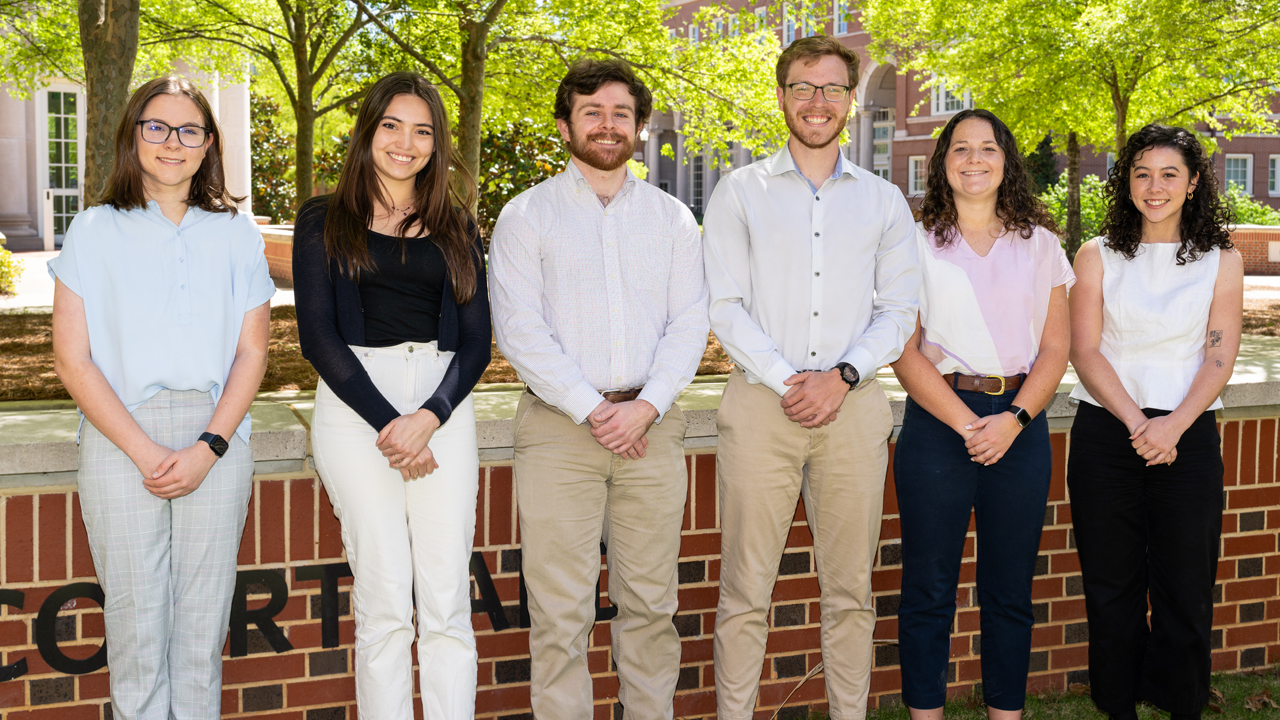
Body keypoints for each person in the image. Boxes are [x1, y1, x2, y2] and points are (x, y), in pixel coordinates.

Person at [702, 36, 920, 720]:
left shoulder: (885, 202)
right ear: (781, 97)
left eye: (831, 89)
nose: (817, 102)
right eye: (803, 87)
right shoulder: (739, 192)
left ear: (851, 104)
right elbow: (722, 305)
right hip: (761, 408)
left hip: (853, 412)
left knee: (851, 592)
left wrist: (843, 377)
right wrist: (791, 378)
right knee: (744, 592)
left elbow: (899, 311)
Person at [489, 58, 709, 720]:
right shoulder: (526, 217)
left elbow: (691, 323)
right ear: (564, 126)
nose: (607, 125)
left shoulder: (672, 219)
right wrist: (595, 411)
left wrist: (644, 407)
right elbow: (520, 331)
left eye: (621, 113)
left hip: (653, 425)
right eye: (592, 112)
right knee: (560, 614)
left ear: (640, 129)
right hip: (559, 433)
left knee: (651, 607)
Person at [49, 76, 273, 720]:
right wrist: (144, 450)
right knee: (137, 632)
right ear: (133, 135)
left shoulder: (236, 233)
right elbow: (72, 357)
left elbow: (252, 352)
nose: (173, 142)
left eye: (190, 130)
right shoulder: (93, 229)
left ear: (209, 145)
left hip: (217, 433)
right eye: (157, 127)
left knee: (202, 633)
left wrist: (209, 446)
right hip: (121, 434)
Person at [292, 72, 490, 720]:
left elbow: (476, 343)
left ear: (437, 144)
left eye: (423, 130)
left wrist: (427, 418)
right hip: (356, 412)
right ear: (368, 131)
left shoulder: (456, 222)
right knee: (382, 604)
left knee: (445, 603)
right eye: (392, 126)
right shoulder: (322, 218)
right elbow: (320, 339)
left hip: (442, 409)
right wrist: (392, 425)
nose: (406, 143)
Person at [889, 108, 1072, 717]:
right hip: (941, 422)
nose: (975, 159)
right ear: (943, 163)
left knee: (1009, 591)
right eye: (960, 148)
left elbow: (1056, 348)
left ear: (1006, 161)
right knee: (928, 589)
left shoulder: (1041, 245)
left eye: (988, 148)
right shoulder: (913, 243)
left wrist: (1012, 421)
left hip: (1021, 421)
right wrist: (970, 425)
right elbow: (905, 352)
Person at [1068, 124, 1241, 720]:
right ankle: (1117, 707)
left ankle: (1182, 705)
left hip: (1188, 435)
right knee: (1110, 587)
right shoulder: (1095, 254)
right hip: (1106, 432)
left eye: (1170, 173)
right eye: (1141, 173)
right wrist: (1139, 422)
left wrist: (1173, 426)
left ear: (1193, 184)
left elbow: (1220, 353)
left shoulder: (1222, 258)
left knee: (1187, 586)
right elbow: (1085, 351)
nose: (1155, 186)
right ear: (1126, 183)